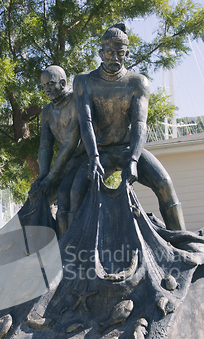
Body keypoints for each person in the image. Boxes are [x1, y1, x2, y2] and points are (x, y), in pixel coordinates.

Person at [72, 23, 186, 231]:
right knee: (75, 192)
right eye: (109, 52)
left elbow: (139, 124)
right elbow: (85, 122)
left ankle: (181, 242)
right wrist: (93, 158)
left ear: (126, 54)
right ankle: (71, 250)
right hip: (101, 152)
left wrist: (133, 160)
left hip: (128, 149)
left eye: (120, 53)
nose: (114, 58)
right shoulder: (84, 81)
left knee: (165, 184)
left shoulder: (138, 82)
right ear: (101, 53)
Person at [30, 65, 87, 236]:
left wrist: (52, 177)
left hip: (85, 158)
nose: (46, 89)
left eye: (50, 84)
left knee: (65, 193)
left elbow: (71, 142)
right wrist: (42, 175)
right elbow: (45, 145)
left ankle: (71, 242)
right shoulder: (47, 111)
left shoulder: (77, 101)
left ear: (63, 83)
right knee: (37, 195)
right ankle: (49, 241)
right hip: (66, 163)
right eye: (44, 86)